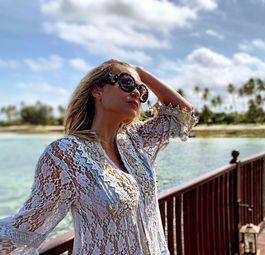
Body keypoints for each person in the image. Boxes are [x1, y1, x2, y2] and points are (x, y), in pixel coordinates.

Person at [0, 59, 197, 254]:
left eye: (141, 90)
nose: (136, 92)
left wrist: (138, 71)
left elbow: (183, 113)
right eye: (127, 82)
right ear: (97, 91)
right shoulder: (66, 154)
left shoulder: (134, 141)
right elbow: (26, 226)